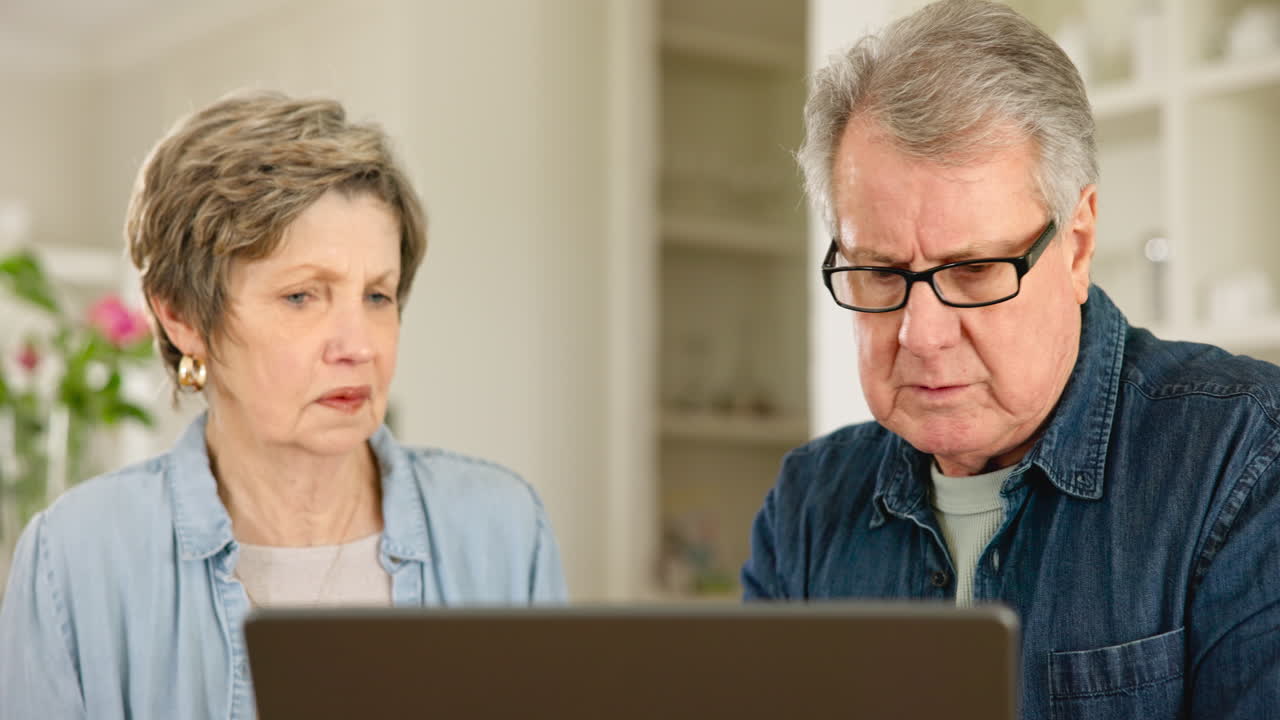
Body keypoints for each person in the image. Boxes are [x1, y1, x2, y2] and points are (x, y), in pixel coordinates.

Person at [742, 1, 1280, 717]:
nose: (921, 334)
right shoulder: (807, 506)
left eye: (973, 271)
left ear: (1078, 243)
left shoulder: (1244, 460)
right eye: (879, 272)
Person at [0, 91, 566, 719]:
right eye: (303, 297)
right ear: (182, 315)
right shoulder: (76, 558)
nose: (358, 347)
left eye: (377, 296)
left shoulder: (504, 530)